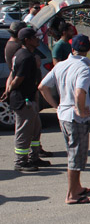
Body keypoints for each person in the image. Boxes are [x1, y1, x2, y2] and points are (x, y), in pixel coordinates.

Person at [39, 35, 90, 204]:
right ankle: (72, 194)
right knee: (76, 156)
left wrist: (56, 105)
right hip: (75, 117)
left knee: (73, 152)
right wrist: (79, 108)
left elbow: (43, 87)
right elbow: (79, 92)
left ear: (72, 49)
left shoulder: (61, 65)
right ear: (87, 50)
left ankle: (76, 187)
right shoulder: (83, 68)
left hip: (63, 114)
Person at [4, 28, 48, 172]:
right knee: (24, 131)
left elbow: (12, 73)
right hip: (24, 99)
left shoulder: (23, 54)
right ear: (27, 40)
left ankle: (34, 157)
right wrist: (10, 89)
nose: (38, 39)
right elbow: (18, 78)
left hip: (30, 98)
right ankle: (20, 162)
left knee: (35, 129)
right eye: (35, 37)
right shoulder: (25, 57)